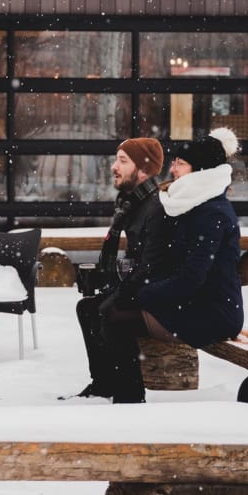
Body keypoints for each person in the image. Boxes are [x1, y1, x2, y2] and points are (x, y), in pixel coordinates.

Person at [100, 127, 244, 404]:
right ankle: (115, 389)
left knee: (117, 317)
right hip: (195, 302)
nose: (173, 169)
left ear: (199, 171)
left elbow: (192, 277)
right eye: (174, 162)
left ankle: (128, 398)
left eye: (180, 163)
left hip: (213, 313)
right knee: (112, 308)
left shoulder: (211, 213)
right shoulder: (191, 203)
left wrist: (144, 294)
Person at [70, 137, 169, 400]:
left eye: (123, 161)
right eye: (116, 159)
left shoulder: (156, 207)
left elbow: (152, 265)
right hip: (146, 285)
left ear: (145, 168)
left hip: (160, 293)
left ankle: (129, 394)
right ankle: (104, 383)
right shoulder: (132, 203)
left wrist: (121, 293)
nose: (114, 166)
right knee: (88, 309)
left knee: (111, 313)